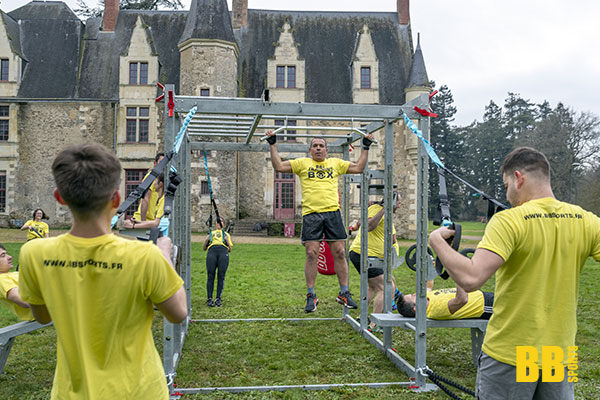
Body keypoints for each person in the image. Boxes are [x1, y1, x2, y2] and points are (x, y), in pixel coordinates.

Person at [428, 147, 600, 400]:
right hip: (559, 354)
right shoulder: (587, 220)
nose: (507, 194)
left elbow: (471, 279)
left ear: (518, 178)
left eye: (507, 184)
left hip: (510, 353)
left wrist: (437, 241)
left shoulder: (509, 221)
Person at [18, 143, 187, 399]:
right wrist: (165, 254)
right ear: (116, 199)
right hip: (139, 391)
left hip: (71, 393)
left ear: (60, 197)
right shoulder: (146, 257)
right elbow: (177, 313)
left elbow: (42, 316)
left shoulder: (34, 254)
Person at [266, 130, 374, 312]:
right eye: (315, 146)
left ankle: (344, 293)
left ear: (326, 150)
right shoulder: (302, 163)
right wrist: (272, 144)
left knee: (340, 252)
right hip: (311, 215)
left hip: (332, 213)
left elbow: (358, 168)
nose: (318, 148)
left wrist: (365, 147)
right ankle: (311, 295)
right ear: (310, 150)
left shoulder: (335, 164)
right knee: (311, 254)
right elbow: (278, 166)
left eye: (321, 146)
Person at [348, 193, 400, 328]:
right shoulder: (377, 209)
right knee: (387, 287)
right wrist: (384, 208)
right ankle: (374, 324)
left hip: (369, 255)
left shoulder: (383, 212)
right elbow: (368, 226)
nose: (399, 205)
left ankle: (362, 317)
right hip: (363, 254)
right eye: (398, 202)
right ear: (392, 202)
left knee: (374, 286)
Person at [395, 284, 494, 320]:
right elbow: (461, 300)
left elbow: (428, 285)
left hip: (483, 295)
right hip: (486, 305)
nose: (415, 294)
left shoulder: (426, 298)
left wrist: (430, 262)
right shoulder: (436, 309)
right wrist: (459, 277)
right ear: (416, 308)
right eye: (413, 297)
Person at [203, 217, 233, 307]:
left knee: (221, 275)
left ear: (224, 224)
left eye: (221, 221)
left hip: (223, 252)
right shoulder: (211, 233)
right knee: (211, 275)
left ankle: (218, 298)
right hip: (212, 252)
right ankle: (209, 298)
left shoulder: (226, 234)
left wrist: (227, 240)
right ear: (215, 224)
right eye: (218, 221)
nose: (219, 223)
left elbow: (230, 249)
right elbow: (204, 248)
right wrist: (206, 240)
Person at [0, 244, 33, 321]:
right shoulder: (2, 280)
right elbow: (26, 301)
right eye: (3, 255)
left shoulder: (12, 274)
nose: (10, 257)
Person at [136, 152, 165, 221]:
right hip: (144, 220)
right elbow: (144, 199)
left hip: (152, 220)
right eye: (161, 162)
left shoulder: (160, 178)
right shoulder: (151, 177)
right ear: (155, 163)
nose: (163, 165)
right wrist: (143, 222)